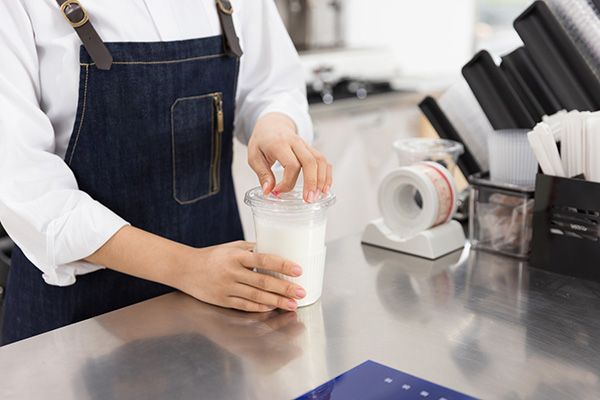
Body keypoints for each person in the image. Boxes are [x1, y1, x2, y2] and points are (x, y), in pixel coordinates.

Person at [0, 0, 332, 345]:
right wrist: (190, 268)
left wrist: (274, 125)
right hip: (81, 323)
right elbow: (25, 185)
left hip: (223, 304)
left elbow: (272, 84)